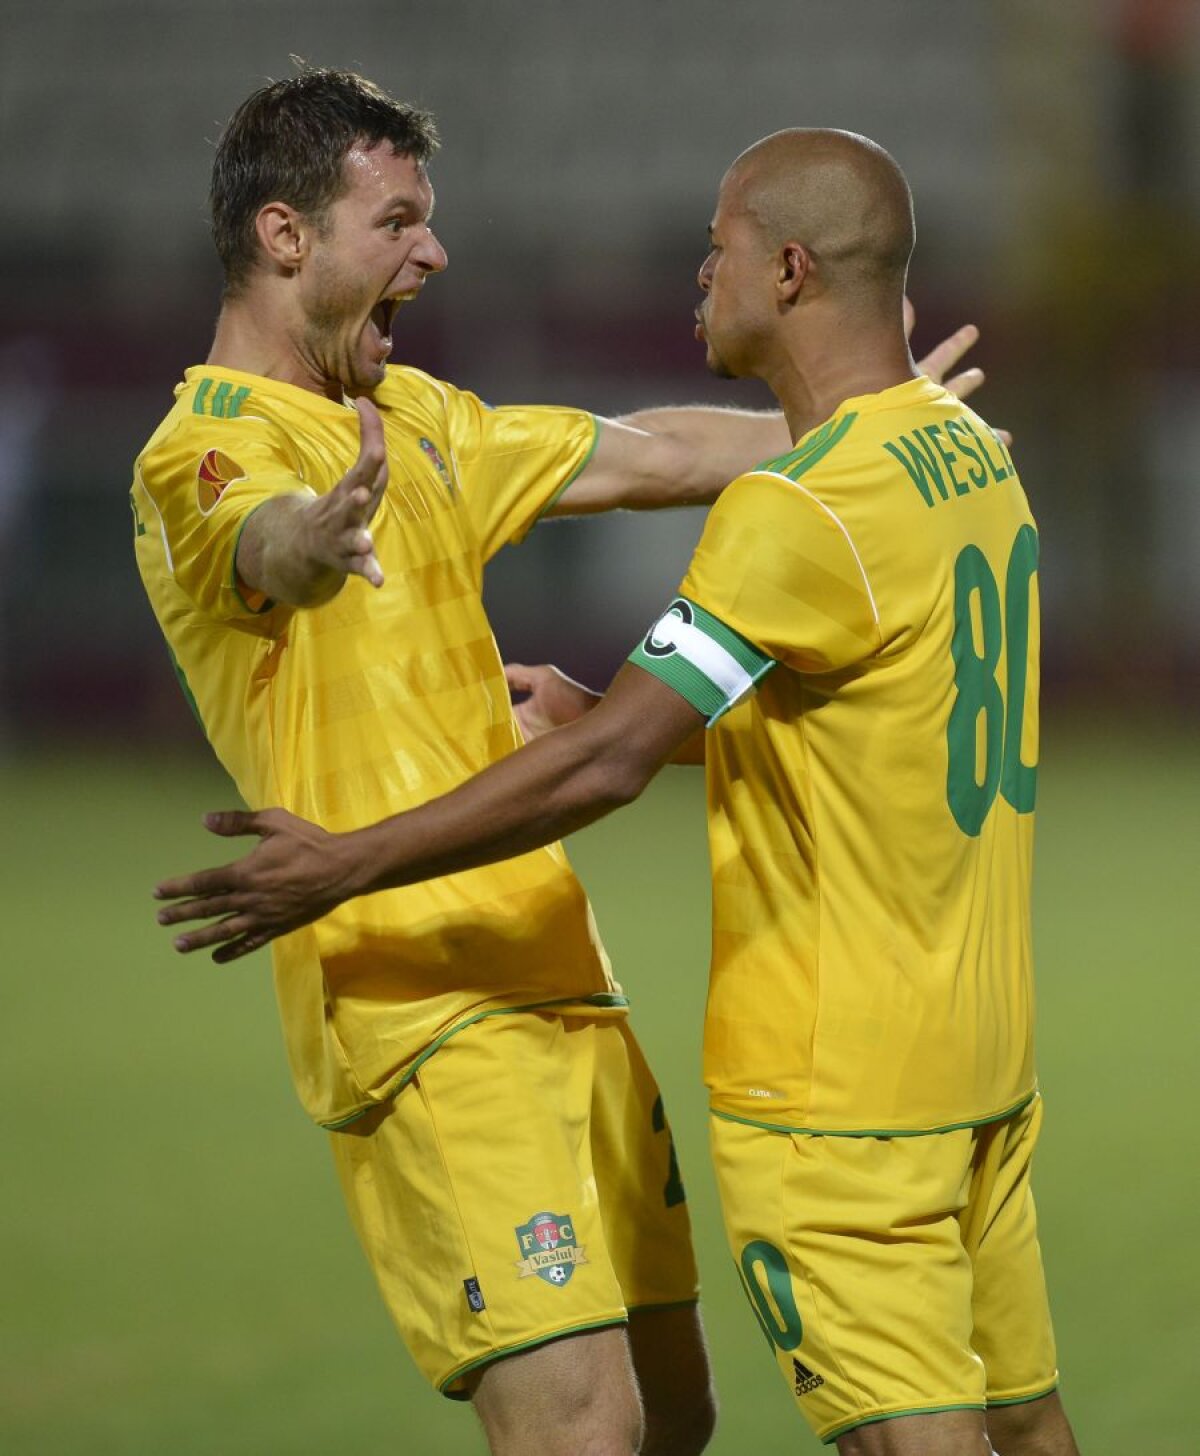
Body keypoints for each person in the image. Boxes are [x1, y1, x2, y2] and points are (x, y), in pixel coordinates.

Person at [156, 127, 1082, 1456]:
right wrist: (312, 530)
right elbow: (260, 539)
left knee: (678, 1417)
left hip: (627, 997)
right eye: (400, 220)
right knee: (599, 1428)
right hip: (423, 998)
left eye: (425, 217)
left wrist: (853, 426)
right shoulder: (202, 447)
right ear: (284, 236)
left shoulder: (429, 420)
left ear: (791, 270)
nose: (436, 251)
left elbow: (649, 462)